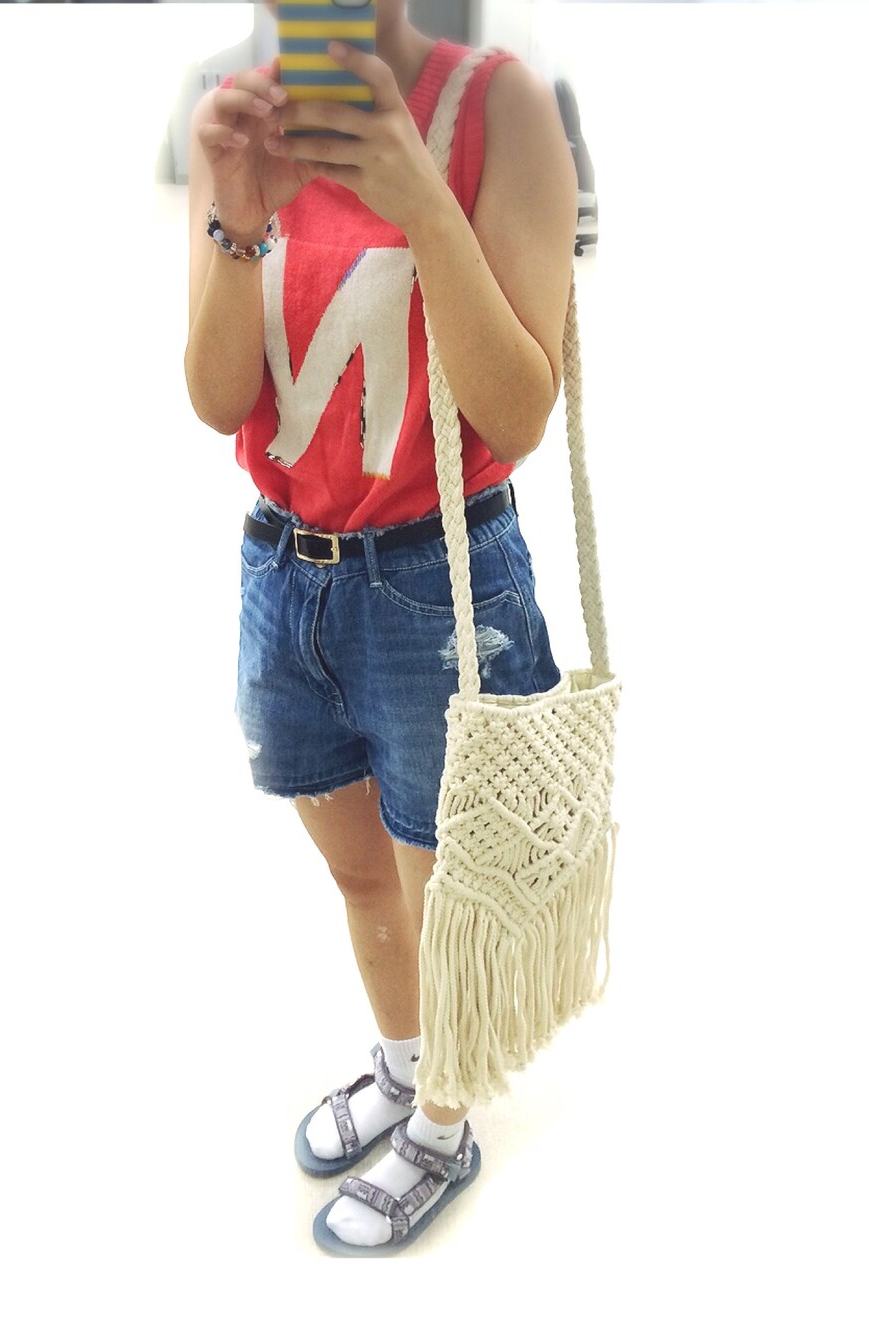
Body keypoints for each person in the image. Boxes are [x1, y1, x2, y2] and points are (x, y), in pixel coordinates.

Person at [184, 0, 577, 1256]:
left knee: (449, 894)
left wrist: (421, 203)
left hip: (436, 584)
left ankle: (445, 1127)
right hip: (283, 570)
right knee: (361, 874)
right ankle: (407, 1065)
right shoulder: (237, 121)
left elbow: (516, 411)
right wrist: (236, 222)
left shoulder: (499, 107)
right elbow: (218, 398)